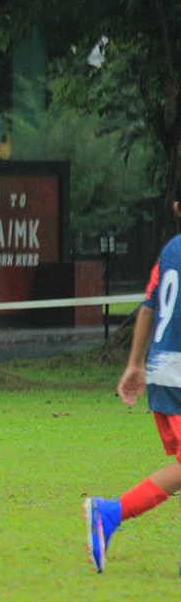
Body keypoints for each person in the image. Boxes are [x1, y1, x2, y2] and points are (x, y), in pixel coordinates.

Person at [84, 191, 181, 574]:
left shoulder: (170, 250)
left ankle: (110, 512)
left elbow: (148, 307)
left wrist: (135, 364)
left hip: (162, 370)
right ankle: (110, 512)